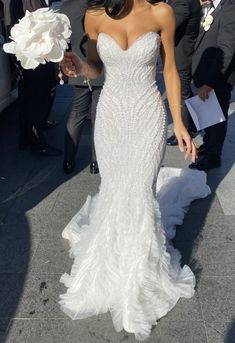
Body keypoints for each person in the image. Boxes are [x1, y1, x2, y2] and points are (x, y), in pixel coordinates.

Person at [58, 0, 210, 340]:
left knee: (140, 191)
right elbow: (96, 68)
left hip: (147, 114)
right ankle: (110, 267)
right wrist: (78, 66)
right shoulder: (95, 16)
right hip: (110, 115)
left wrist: (180, 123)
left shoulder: (161, 13)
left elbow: (170, 68)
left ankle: (140, 276)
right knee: (113, 189)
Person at [10, 0, 62, 156]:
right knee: (40, 97)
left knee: (29, 96)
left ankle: (27, 137)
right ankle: (37, 142)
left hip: (31, 55)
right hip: (35, 56)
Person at [190, 0, 235, 170]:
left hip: (218, 77)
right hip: (207, 73)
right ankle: (208, 147)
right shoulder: (215, 5)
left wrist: (209, 82)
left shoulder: (230, 7)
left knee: (217, 118)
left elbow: (226, 47)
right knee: (210, 116)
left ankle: (212, 156)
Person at [60, 0, 104, 174]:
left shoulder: (66, 7)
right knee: (98, 115)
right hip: (101, 66)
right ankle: (95, 162)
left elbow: (63, 42)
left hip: (76, 65)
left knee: (77, 113)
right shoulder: (103, 6)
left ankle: (68, 160)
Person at [167, 0, 201, 146]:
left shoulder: (183, 2)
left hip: (181, 55)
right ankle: (192, 125)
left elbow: (169, 25)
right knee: (185, 91)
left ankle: (184, 130)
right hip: (183, 53)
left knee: (182, 93)